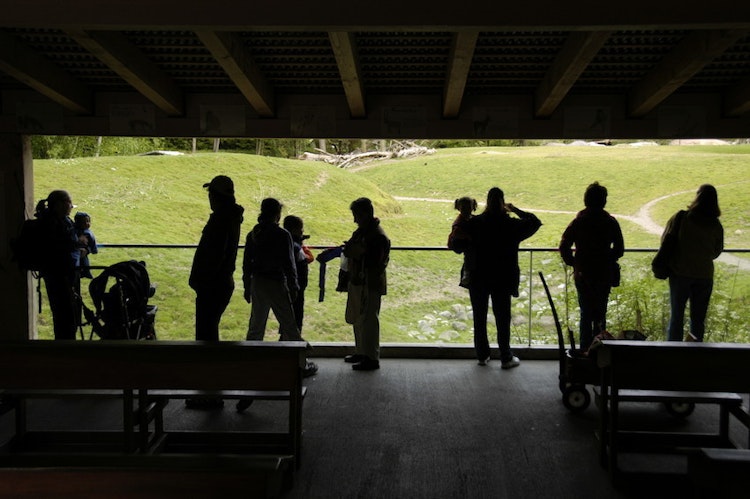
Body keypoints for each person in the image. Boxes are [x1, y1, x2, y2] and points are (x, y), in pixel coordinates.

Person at [465, 187, 541, 368]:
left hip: (478, 276)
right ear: (502, 202)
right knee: (502, 317)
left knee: (479, 317)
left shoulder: (476, 223)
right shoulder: (511, 225)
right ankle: (506, 357)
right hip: (502, 277)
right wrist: (515, 209)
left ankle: (482, 355)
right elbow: (535, 222)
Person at [559, 182, 624, 351]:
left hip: (583, 274)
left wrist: (574, 262)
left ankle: (585, 352)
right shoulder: (610, 222)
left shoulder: (579, 222)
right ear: (603, 201)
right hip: (603, 274)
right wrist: (607, 259)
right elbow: (619, 249)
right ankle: (599, 353)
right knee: (600, 315)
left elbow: (564, 245)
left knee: (586, 315)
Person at [663, 184, 723, 342]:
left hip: (680, 272)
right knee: (698, 320)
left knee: (677, 316)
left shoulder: (682, 218)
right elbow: (717, 251)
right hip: (704, 275)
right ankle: (695, 354)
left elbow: (666, 240)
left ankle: (673, 353)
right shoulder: (716, 225)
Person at [189, 175, 245, 342]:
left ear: (216, 196)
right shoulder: (230, 218)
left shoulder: (221, 221)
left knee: (205, 335)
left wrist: (201, 281)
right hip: (219, 283)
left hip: (212, 285)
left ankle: (207, 366)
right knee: (209, 332)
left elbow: (214, 255)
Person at [243, 198, 303, 342]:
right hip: (277, 282)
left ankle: (250, 360)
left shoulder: (254, 234)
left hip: (258, 282)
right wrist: (293, 285)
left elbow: (247, 263)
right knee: (289, 323)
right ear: (278, 214)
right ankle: (300, 358)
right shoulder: (282, 235)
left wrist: (247, 286)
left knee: (256, 324)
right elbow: (289, 263)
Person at [343, 197, 390, 371]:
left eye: (356, 215)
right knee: (360, 319)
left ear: (364, 214)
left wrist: (356, 252)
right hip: (362, 281)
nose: (355, 219)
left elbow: (375, 262)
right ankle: (362, 352)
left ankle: (371, 357)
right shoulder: (367, 232)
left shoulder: (376, 236)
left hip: (369, 282)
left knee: (369, 320)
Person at [36, 190, 79, 340]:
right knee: (65, 314)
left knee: (63, 313)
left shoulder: (53, 221)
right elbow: (60, 247)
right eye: (69, 202)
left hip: (59, 273)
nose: (71, 206)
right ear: (60, 204)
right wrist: (79, 245)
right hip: (60, 274)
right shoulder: (55, 223)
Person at [283, 214, 318, 377]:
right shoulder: (296, 248)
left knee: (287, 323)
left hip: (285, 289)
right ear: (296, 230)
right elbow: (303, 262)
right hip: (296, 289)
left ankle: (284, 360)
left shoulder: (284, 243)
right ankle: (297, 365)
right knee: (296, 323)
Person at [447, 196, 477, 288]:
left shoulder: (469, 218)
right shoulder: (460, 221)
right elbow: (456, 233)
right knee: (469, 254)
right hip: (458, 243)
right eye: (464, 208)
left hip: (463, 242)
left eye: (468, 208)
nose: (466, 210)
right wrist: (469, 237)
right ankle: (466, 273)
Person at [74, 211, 98, 279]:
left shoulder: (89, 233)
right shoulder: (73, 231)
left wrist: (89, 250)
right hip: (76, 252)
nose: (86, 224)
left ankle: (86, 272)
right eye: (83, 222)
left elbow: (92, 243)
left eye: (88, 221)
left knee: (84, 261)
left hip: (83, 252)